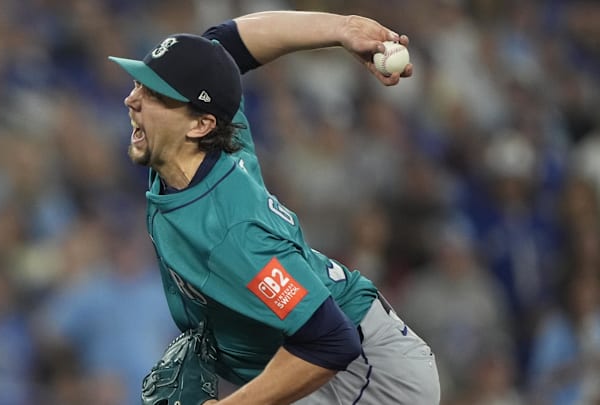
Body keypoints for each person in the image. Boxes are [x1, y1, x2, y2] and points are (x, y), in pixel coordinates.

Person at [108, 10, 440, 404]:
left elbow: (330, 341)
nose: (132, 99)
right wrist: (341, 29)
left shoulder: (233, 232)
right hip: (316, 355)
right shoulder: (194, 145)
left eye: (154, 95)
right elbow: (227, 43)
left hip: (369, 378)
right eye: (139, 84)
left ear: (199, 125)